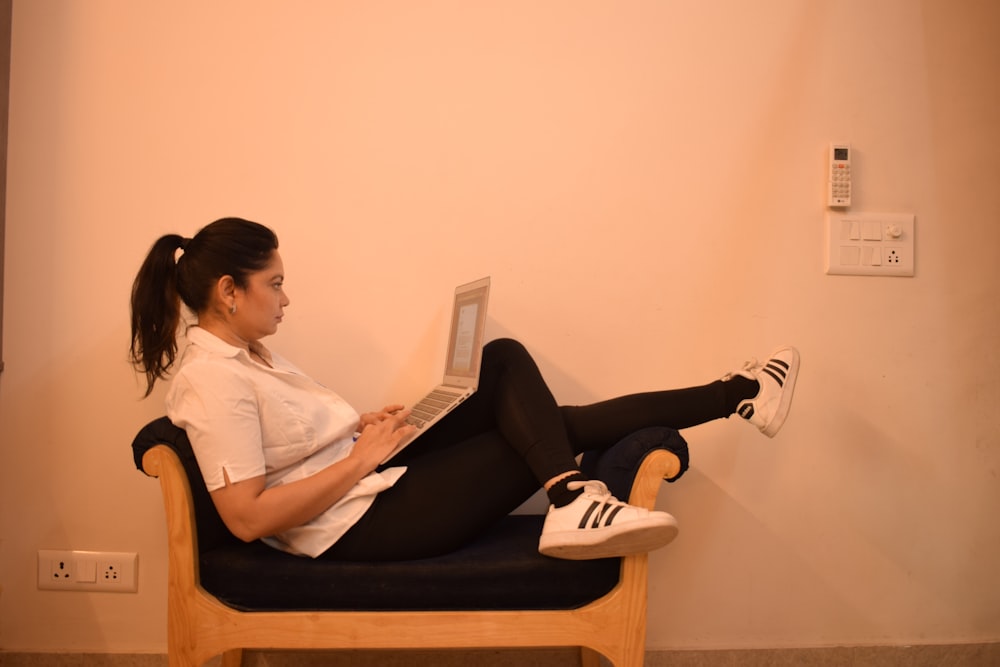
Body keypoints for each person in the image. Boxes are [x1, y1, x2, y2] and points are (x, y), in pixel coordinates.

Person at [130, 217, 800, 562]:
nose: (285, 297)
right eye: (273, 282)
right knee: (539, 441)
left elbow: (283, 448)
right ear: (228, 291)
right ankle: (574, 495)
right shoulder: (211, 380)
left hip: (366, 476)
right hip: (354, 526)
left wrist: (358, 430)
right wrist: (361, 458)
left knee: (502, 362)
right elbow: (246, 517)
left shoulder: (242, 355)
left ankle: (738, 391)